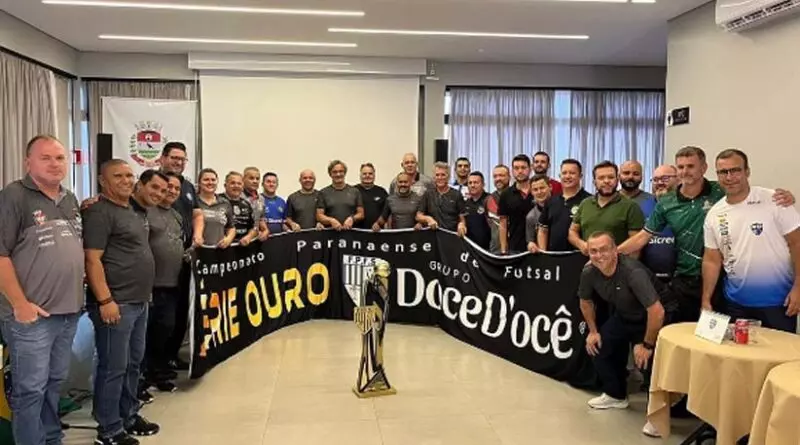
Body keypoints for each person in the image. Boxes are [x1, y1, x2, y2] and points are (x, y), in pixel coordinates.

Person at [618, 146, 795, 323]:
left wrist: (785, 197)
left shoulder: (721, 190)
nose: (685, 171)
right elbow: (643, 236)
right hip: (685, 278)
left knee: (720, 333)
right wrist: (613, 252)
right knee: (683, 331)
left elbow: (747, 195)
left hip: (721, 281)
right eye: (681, 167)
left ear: (704, 168)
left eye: (690, 166)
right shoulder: (666, 203)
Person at [0, 135, 84, 445]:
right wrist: (20, 304)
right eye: (45, 158)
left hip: (68, 312)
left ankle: (51, 439)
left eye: (60, 158)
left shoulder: (69, 199)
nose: (54, 164)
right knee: (30, 390)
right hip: (31, 316)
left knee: (53, 384)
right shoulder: (13, 196)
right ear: (28, 162)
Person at [83, 162, 165, 444]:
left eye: (129, 175)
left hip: (138, 301)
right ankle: (108, 429)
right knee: (113, 367)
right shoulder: (98, 212)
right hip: (116, 303)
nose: (126, 180)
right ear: (102, 181)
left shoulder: (131, 209)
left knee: (132, 363)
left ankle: (128, 415)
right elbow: (92, 259)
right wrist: (105, 299)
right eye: (117, 176)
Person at [702, 149, 800, 332]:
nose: (729, 177)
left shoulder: (775, 200)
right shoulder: (714, 214)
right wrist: (706, 300)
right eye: (723, 172)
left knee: (781, 350)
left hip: (779, 302)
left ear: (747, 171)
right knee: (738, 350)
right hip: (736, 304)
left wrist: (798, 287)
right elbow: (712, 260)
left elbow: (797, 244)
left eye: (735, 170)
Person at [578, 232, 671, 412]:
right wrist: (593, 331)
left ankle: (659, 411)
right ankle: (615, 395)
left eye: (604, 250)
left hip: (654, 317)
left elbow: (657, 311)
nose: (599, 255)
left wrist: (647, 345)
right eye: (593, 251)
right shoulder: (589, 272)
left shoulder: (633, 272)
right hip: (625, 314)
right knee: (600, 345)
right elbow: (585, 301)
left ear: (615, 251)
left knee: (648, 361)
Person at [143, 172, 184, 394]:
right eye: (168, 187)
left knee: (165, 331)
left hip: (171, 284)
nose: (172, 191)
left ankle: (158, 373)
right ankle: (143, 378)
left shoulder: (176, 215)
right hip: (150, 285)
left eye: (177, 189)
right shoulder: (146, 212)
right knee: (146, 335)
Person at [158, 142, 195, 373]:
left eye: (182, 159)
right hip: (160, 269)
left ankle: (171, 357)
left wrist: (197, 236)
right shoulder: (152, 180)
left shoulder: (188, 186)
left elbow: (196, 213)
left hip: (184, 261)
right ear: (162, 158)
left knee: (181, 312)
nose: (178, 162)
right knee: (162, 319)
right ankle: (156, 366)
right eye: (174, 157)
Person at [569, 161, 645, 254]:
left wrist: (614, 257)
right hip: (587, 261)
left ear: (617, 180)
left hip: (618, 262)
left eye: (611, 177)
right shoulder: (585, 204)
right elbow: (572, 231)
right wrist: (582, 245)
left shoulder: (631, 206)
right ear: (594, 182)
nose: (606, 181)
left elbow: (636, 243)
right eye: (601, 178)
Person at [538, 159, 591, 252]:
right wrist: (543, 254)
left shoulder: (589, 201)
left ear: (580, 176)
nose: (567, 176)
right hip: (553, 256)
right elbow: (543, 230)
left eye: (572, 173)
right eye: (564, 173)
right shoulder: (551, 201)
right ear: (560, 176)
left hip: (579, 255)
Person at [637, 165, 679, 282]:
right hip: (648, 278)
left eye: (665, 178)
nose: (659, 183)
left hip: (680, 278)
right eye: (655, 180)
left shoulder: (687, 206)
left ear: (678, 179)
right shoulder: (642, 207)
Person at [416, 162, 467, 236]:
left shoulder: (457, 195)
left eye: (443, 175)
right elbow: (418, 216)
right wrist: (428, 219)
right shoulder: (428, 194)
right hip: (432, 236)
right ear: (434, 177)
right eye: (437, 175)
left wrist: (461, 225)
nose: (440, 178)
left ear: (448, 177)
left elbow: (462, 219)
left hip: (451, 236)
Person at [498, 155, 535, 254]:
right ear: (512, 171)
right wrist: (503, 250)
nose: (520, 171)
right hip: (515, 248)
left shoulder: (538, 191)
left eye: (523, 168)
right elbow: (503, 224)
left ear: (530, 169)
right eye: (516, 168)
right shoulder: (506, 194)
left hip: (538, 247)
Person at [192, 168, 235, 248]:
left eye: (213, 180)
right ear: (199, 183)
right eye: (206, 180)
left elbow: (231, 227)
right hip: (197, 250)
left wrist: (228, 239)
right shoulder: (193, 202)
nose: (210, 182)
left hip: (219, 251)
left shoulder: (225, 203)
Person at [317, 160, 364, 230]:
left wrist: (352, 218)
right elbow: (319, 215)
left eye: (341, 171)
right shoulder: (323, 193)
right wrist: (331, 220)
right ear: (330, 174)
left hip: (351, 233)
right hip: (330, 234)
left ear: (345, 173)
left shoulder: (355, 191)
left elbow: (361, 214)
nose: (338, 174)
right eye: (334, 172)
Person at [222, 172, 260, 245]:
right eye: (232, 183)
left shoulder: (246, 204)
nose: (236, 186)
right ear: (225, 185)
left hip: (243, 246)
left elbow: (254, 228)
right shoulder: (217, 201)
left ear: (243, 186)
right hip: (223, 246)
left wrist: (249, 237)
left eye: (239, 183)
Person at [486, 164, 511, 253]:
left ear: (509, 177)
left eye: (501, 175)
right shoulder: (488, 199)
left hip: (515, 250)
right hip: (495, 251)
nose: (498, 179)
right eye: (495, 176)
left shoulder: (516, 197)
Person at [355, 163, 388, 229]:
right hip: (357, 232)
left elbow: (387, 211)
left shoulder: (382, 191)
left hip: (377, 231)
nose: (367, 176)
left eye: (370, 173)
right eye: (364, 174)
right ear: (360, 175)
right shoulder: (353, 191)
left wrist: (379, 223)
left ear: (374, 175)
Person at [464, 172, 491, 250]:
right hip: (470, 248)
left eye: (476, 182)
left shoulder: (490, 200)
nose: (472, 185)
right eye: (470, 183)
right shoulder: (465, 203)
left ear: (483, 184)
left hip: (488, 249)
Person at [525, 174, 551, 253]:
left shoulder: (561, 207)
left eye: (542, 188)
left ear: (550, 187)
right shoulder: (531, 217)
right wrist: (531, 245)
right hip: (543, 255)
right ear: (531, 192)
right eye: (535, 189)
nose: (539, 192)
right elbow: (530, 241)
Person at [242, 166, 269, 240]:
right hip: (240, 239)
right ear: (243, 179)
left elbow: (261, 218)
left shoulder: (261, 199)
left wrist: (266, 230)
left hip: (256, 240)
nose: (255, 181)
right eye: (251, 178)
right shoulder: (238, 196)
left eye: (257, 179)